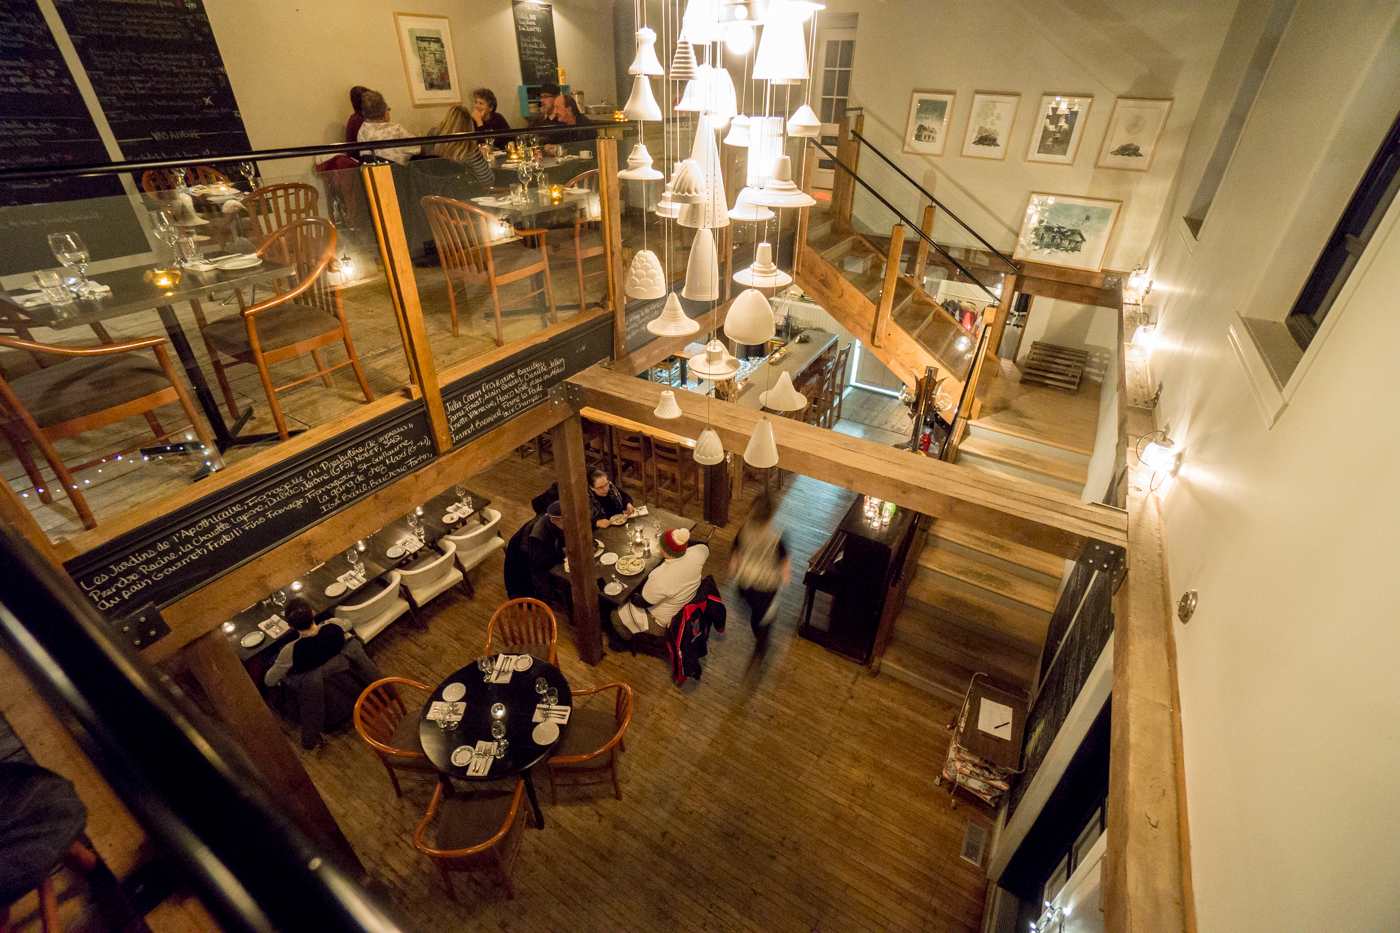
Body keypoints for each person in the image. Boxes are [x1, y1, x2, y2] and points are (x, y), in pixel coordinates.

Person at [264, 598, 383, 749]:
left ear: (290, 626)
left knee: (270, 660)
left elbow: (270, 680)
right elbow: (348, 624)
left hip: (315, 684)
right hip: (344, 669)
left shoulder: (290, 651)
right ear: (313, 613)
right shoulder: (334, 626)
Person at [614, 528, 709, 637]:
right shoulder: (697, 554)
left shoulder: (660, 576)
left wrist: (631, 596)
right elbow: (703, 545)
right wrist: (679, 543)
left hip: (664, 622)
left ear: (667, 554)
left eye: (661, 546)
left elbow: (642, 602)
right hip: (685, 606)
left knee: (615, 616)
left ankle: (633, 640)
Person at [729, 493, 791, 656]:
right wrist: (784, 578)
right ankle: (761, 643)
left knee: (755, 613)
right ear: (771, 517)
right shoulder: (777, 538)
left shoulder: (743, 532)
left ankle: (757, 632)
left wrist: (736, 573)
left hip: (745, 582)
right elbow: (785, 569)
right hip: (766, 586)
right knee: (764, 615)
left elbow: (734, 561)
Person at [503, 501, 567, 603]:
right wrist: (562, 552)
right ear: (553, 519)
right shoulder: (538, 535)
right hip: (524, 567)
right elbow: (539, 562)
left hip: (533, 556)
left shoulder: (555, 523)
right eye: (563, 520)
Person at [428, 104, 496, 187]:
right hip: (462, 195)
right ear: (469, 125)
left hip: (434, 192)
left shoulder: (432, 135)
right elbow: (488, 180)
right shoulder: (469, 147)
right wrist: (483, 159)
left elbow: (426, 162)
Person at [356, 90, 419, 164]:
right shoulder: (395, 129)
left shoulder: (362, 130)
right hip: (399, 172)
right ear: (384, 111)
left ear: (364, 112)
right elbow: (418, 148)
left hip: (374, 173)